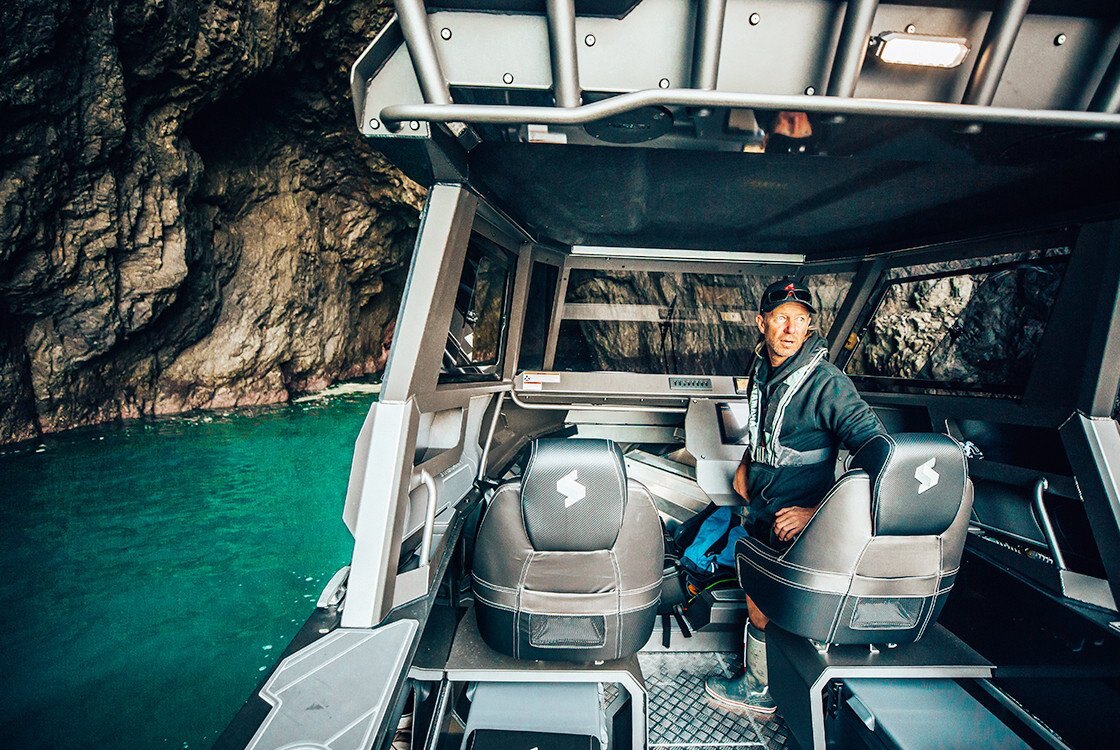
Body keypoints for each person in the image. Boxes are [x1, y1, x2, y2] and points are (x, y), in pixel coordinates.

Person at [704, 278, 885, 714]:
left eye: (800, 320)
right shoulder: (762, 369)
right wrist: (747, 464)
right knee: (756, 592)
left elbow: (881, 455)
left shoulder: (827, 384)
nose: (791, 329)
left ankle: (760, 688)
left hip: (799, 521)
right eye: (782, 318)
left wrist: (816, 514)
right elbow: (766, 430)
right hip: (763, 508)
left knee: (765, 599)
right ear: (761, 322)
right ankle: (761, 681)